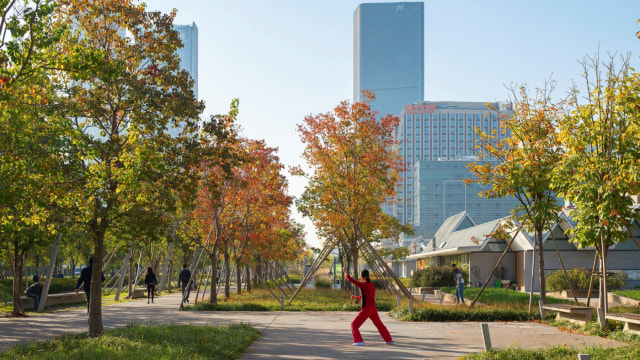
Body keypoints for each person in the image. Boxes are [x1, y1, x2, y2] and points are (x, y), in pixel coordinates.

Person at [345, 269, 394, 346]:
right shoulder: (372, 285)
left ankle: (359, 341)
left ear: (362, 277)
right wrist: (356, 297)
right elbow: (367, 296)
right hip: (373, 309)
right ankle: (389, 340)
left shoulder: (363, 284)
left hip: (366, 309)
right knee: (380, 325)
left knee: (354, 325)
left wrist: (346, 274)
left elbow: (353, 281)